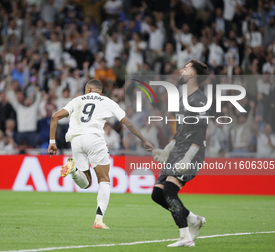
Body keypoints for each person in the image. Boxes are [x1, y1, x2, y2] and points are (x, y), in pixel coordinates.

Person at [48, 79, 154, 229]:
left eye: (86, 90)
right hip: (94, 139)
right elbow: (128, 123)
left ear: (88, 90)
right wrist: (143, 140)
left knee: (86, 182)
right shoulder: (107, 102)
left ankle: (73, 171)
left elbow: (54, 117)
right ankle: (98, 219)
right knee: (104, 179)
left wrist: (52, 141)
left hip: (76, 141)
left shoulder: (76, 100)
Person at [151, 59, 209, 247]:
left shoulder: (200, 100)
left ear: (193, 74)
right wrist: (168, 149)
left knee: (169, 190)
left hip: (192, 152)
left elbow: (200, 134)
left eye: (186, 68)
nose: (181, 70)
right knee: (157, 195)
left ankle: (185, 236)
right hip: (178, 150)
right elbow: (181, 131)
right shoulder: (184, 99)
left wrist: (188, 157)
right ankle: (193, 219)